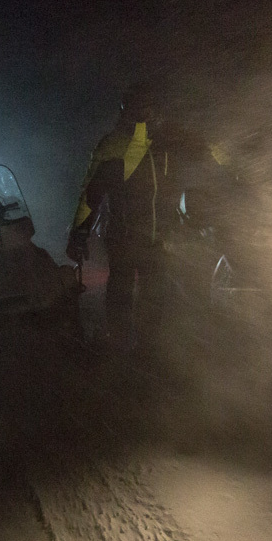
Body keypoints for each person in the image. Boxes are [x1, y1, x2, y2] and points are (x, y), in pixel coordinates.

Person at [64, 76, 228, 348]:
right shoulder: (114, 145)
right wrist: (78, 235)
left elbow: (211, 153)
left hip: (159, 238)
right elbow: (90, 196)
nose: (145, 113)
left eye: (150, 107)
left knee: (153, 296)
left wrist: (240, 169)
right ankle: (119, 347)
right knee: (121, 292)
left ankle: (147, 350)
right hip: (124, 237)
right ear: (126, 110)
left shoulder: (169, 140)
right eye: (139, 108)